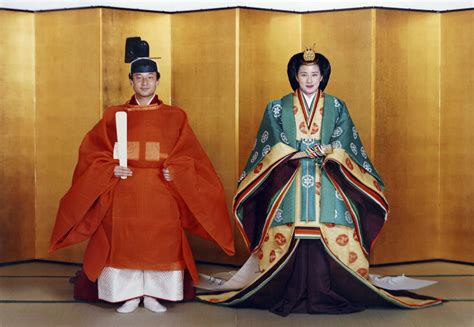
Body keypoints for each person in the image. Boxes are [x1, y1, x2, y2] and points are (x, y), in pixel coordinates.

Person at [197, 48, 441, 315]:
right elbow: (270, 143)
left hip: (327, 177)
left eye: (315, 74)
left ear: (323, 76)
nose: (310, 79)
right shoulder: (277, 107)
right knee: (286, 229)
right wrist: (299, 153)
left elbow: (347, 139)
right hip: (290, 179)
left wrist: (330, 150)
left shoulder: (337, 106)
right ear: (296, 77)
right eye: (304, 74)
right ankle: (285, 286)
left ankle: (332, 286)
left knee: (335, 228)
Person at [50, 37, 234, 313]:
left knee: (162, 243)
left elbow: (190, 155)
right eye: (139, 78)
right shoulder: (114, 115)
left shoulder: (176, 117)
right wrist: (110, 168)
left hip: (162, 189)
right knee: (123, 242)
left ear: (158, 80)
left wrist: (178, 172)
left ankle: (155, 294)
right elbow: (92, 153)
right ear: (131, 81)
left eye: (150, 77)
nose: (145, 83)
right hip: (124, 188)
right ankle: (127, 294)